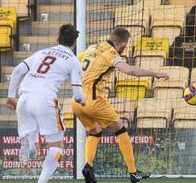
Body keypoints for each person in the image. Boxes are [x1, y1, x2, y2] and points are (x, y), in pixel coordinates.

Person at [71, 27, 169, 183]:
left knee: (95, 132)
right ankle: (133, 172)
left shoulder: (92, 48)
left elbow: (78, 63)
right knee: (120, 130)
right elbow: (129, 71)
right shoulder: (112, 54)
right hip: (94, 100)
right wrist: (155, 74)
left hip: (76, 102)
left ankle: (88, 166)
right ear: (123, 44)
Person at [6, 24, 86, 183]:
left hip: (24, 98)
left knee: (33, 145)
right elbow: (77, 96)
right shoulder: (73, 61)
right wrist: (84, 101)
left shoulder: (41, 52)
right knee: (56, 147)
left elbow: (17, 71)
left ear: (57, 39)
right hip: (45, 99)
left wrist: (10, 96)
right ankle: (41, 181)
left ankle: (29, 144)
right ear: (74, 44)